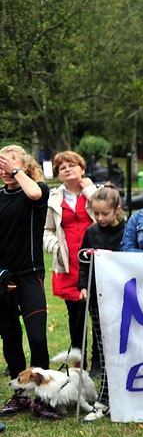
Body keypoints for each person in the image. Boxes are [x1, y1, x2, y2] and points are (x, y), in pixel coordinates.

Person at [0, 145, 52, 417]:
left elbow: (32, 191)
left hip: (30, 275)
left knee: (37, 337)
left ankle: (42, 399)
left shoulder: (38, 191)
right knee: (10, 339)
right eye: (2, 164)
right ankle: (20, 396)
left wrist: (15, 170)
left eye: (10, 162)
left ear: (25, 166)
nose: (5, 168)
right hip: (3, 279)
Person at [77, 184, 126, 422]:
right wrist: (83, 286)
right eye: (95, 214)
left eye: (104, 213)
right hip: (97, 298)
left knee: (121, 347)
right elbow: (83, 262)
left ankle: (122, 394)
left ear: (117, 210)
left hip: (121, 298)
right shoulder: (91, 232)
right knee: (104, 348)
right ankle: (105, 398)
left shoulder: (125, 231)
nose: (99, 218)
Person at [43, 150, 98, 353]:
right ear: (58, 174)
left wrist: (90, 191)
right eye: (62, 168)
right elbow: (47, 230)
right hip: (68, 264)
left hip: (94, 263)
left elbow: (108, 214)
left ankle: (98, 362)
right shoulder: (54, 198)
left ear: (82, 169)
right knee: (75, 317)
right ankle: (78, 361)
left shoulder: (97, 191)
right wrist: (55, 248)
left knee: (98, 316)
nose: (67, 169)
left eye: (72, 165)